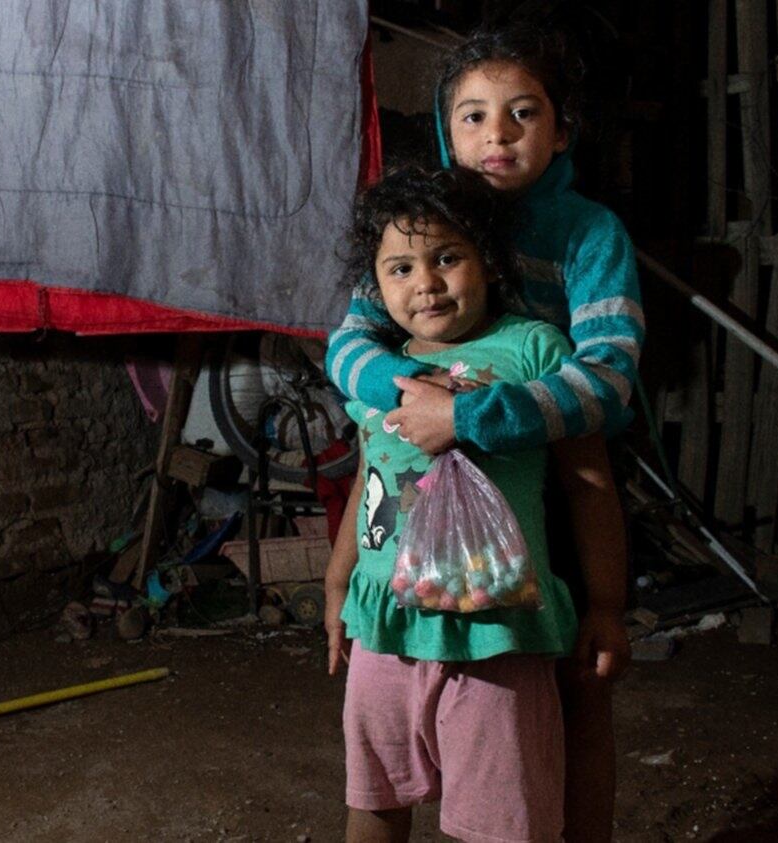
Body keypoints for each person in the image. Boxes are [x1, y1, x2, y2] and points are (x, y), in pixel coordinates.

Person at [323, 21, 642, 841]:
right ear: (444, 131)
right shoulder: (415, 228)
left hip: (552, 471)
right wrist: (408, 395)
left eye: (522, 113)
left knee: (575, 694)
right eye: (471, 116)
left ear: (562, 128)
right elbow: (351, 346)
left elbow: (606, 379)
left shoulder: (588, 233)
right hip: (417, 482)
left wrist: (462, 414)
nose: (495, 135)